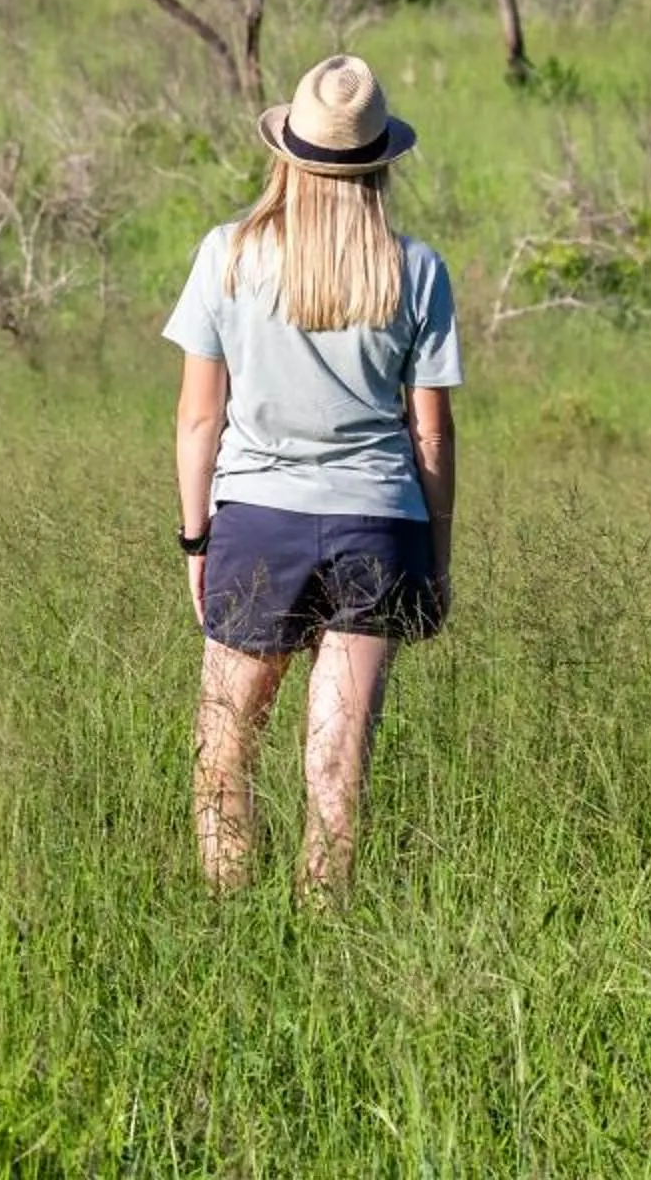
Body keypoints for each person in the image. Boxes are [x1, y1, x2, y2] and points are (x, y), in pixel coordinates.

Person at [165, 54, 462, 900]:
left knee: (223, 751)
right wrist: (435, 557)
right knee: (336, 766)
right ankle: (325, 934)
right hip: (382, 525)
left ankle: (231, 934)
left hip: (258, 520)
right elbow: (431, 435)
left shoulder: (227, 256)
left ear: (285, 155)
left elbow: (198, 419)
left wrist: (196, 540)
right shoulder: (418, 270)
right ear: (379, 166)